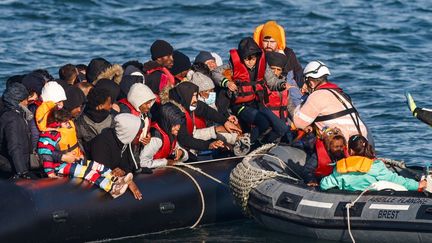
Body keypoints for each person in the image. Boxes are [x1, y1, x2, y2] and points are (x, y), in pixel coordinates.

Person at [293, 60, 371, 178]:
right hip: (362, 142)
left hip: (340, 144)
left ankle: (311, 178)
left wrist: (303, 100)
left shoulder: (316, 95)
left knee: (309, 143)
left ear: (311, 82)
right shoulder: (341, 94)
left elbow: (298, 122)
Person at [37, 108, 132, 198]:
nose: (68, 125)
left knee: (96, 166)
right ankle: (112, 188)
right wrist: (50, 173)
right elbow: (45, 154)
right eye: (66, 123)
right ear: (57, 124)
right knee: (87, 172)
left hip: (74, 160)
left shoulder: (65, 130)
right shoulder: (49, 136)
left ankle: (116, 179)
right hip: (60, 166)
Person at [212, 37, 288, 144]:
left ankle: (262, 145)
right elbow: (215, 73)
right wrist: (227, 82)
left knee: (282, 128)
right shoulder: (232, 65)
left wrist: (282, 84)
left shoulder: (262, 64)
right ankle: (249, 144)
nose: (250, 62)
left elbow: (272, 81)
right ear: (242, 57)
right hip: (240, 105)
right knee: (263, 123)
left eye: (253, 58)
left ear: (257, 56)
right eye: (247, 59)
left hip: (257, 102)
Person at [320, 135, 426, 191]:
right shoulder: (375, 166)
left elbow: (324, 184)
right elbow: (396, 180)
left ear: (350, 151)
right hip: (372, 201)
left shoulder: (340, 167)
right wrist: (417, 185)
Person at [162, 82, 241, 155]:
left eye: (195, 95)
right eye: (192, 96)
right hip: (178, 151)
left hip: (189, 146)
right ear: (185, 96)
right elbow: (185, 139)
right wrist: (208, 145)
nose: (195, 99)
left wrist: (225, 122)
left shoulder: (188, 103)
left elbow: (206, 110)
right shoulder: (175, 115)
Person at [88, 113, 144, 200]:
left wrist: (124, 173)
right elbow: (103, 171)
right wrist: (126, 179)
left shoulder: (125, 142)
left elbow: (129, 166)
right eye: (138, 133)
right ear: (129, 133)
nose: (140, 136)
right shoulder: (101, 143)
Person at [0, 83, 36, 178]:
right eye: (25, 99)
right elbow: (14, 147)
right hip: (12, 168)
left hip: (17, 164)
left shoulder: (14, 113)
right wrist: (22, 172)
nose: (27, 102)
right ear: (18, 101)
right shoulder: (12, 118)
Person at [253, 20, 303, 87]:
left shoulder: (288, 54)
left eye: (272, 42)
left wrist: (301, 87)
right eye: (265, 41)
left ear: (278, 42)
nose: (268, 45)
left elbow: (298, 73)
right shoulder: (256, 55)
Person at [139, 103, 189, 168]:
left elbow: (186, 156)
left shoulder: (170, 132)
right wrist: (166, 162)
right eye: (174, 124)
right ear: (167, 122)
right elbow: (142, 163)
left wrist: (181, 153)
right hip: (152, 176)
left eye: (178, 123)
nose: (178, 128)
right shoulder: (156, 139)